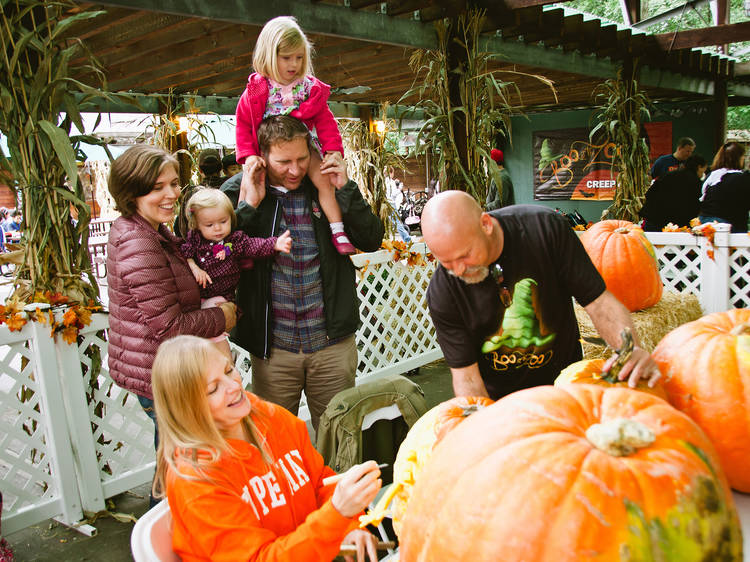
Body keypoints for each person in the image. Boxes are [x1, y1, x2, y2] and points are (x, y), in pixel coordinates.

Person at [151, 335, 382, 562]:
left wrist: (349, 526)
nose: (233, 386)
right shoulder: (196, 480)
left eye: (229, 370)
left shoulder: (273, 419)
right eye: (213, 389)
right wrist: (336, 514)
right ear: (187, 409)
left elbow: (320, 481)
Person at [222, 115, 384, 431]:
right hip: (275, 349)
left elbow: (370, 237)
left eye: (302, 158)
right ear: (262, 157)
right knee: (275, 438)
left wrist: (345, 188)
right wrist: (248, 206)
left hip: (332, 344)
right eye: (284, 162)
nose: (295, 170)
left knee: (340, 434)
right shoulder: (237, 191)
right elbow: (217, 253)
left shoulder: (324, 184)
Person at [422, 191, 661, 401]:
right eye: (446, 262)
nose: (459, 270)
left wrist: (629, 350)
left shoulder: (545, 229)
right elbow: (467, 379)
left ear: (485, 224)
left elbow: (598, 302)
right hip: (502, 405)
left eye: (465, 255)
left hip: (566, 387)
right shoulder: (443, 292)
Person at [106, 145, 237, 505]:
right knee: (179, 464)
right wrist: (223, 316)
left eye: (174, 183)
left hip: (157, 366)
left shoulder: (149, 230)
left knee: (174, 456)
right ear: (131, 192)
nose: (171, 194)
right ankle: (167, 537)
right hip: (159, 371)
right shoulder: (138, 241)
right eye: (156, 187)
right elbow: (169, 326)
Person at [235, 15, 356, 255]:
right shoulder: (258, 89)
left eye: (299, 58)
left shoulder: (307, 87)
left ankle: (337, 229)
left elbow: (325, 120)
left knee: (323, 179)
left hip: (304, 144)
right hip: (265, 148)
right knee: (246, 187)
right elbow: (242, 123)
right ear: (270, 56)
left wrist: (333, 151)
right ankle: (243, 241)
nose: (294, 64)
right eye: (286, 58)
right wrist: (248, 156)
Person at [180, 188, 293, 358]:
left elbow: (253, 246)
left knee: (215, 323)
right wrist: (195, 268)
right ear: (196, 224)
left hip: (221, 297)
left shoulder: (234, 240)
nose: (217, 228)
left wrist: (275, 243)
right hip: (196, 296)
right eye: (209, 225)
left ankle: (222, 360)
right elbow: (184, 254)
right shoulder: (195, 240)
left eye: (223, 221)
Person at [639, 154, 707, 231]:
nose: (702, 175)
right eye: (703, 171)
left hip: (652, 218)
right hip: (673, 225)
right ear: (699, 167)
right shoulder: (695, 182)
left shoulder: (668, 175)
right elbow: (693, 206)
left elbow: (649, 193)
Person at [699, 141, 750, 232]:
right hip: (728, 226)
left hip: (704, 223)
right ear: (738, 158)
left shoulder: (711, 176)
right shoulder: (742, 178)